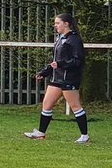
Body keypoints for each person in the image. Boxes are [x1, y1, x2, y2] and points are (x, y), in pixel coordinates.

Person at [25, 13, 90, 143]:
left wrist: (61, 64)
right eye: (55, 23)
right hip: (57, 78)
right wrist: (45, 72)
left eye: (57, 23)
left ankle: (84, 135)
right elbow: (56, 61)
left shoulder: (74, 39)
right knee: (46, 104)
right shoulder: (60, 38)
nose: (55, 26)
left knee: (75, 106)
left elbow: (78, 60)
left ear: (66, 24)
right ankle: (41, 133)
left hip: (69, 78)